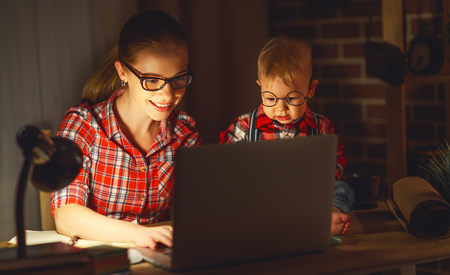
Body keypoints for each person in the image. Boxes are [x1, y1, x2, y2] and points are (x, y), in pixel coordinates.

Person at [51, 10, 203, 249]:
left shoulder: (185, 134)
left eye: (178, 79)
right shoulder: (83, 125)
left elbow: (201, 213)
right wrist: (137, 234)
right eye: (152, 80)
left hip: (155, 258)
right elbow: (66, 216)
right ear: (123, 72)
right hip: (98, 260)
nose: (168, 94)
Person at [219, 35, 355, 236]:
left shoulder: (321, 127)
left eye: (291, 98)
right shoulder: (244, 126)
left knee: (343, 189)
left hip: (306, 199)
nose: (281, 108)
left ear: (310, 89)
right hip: (259, 199)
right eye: (270, 98)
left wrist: (321, 179)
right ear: (261, 88)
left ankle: (328, 217)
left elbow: (335, 159)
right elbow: (223, 165)